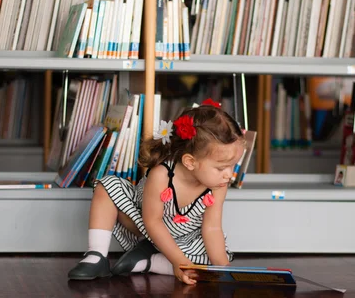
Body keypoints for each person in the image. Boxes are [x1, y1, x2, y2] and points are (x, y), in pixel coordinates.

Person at [68, 100, 245, 285]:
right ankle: (97, 255)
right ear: (190, 162)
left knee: (213, 255)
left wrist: (224, 270)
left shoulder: (218, 185)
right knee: (107, 186)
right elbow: (152, 221)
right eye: (221, 168)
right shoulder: (161, 175)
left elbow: (212, 228)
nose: (229, 175)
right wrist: (179, 260)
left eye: (232, 166)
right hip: (147, 226)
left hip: (184, 239)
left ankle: (151, 261)